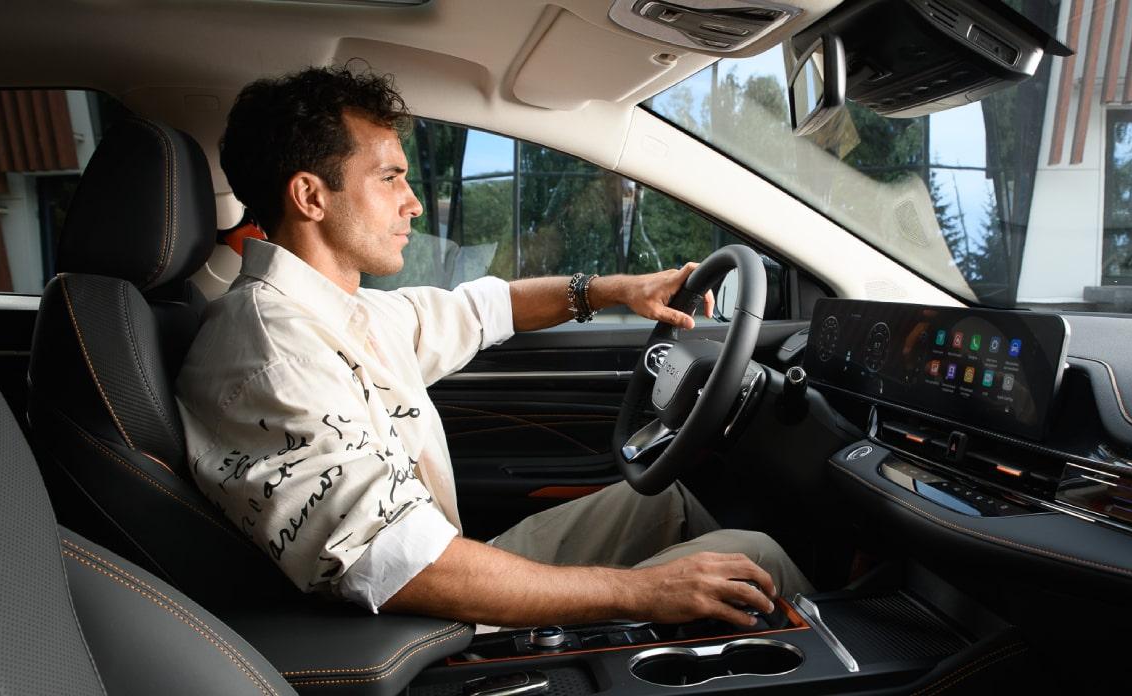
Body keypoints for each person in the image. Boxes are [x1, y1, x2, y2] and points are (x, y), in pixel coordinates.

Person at [176, 64, 812, 631]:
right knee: (753, 558)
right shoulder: (275, 350)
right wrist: (643, 593)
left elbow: (485, 309)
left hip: (438, 575)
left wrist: (617, 289)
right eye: (390, 178)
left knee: (663, 503)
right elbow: (397, 567)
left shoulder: (339, 312)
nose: (413, 203)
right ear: (311, 196)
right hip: (421, 630)